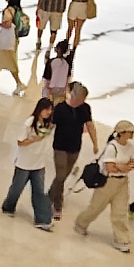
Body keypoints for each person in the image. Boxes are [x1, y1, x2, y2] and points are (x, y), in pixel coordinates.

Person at [73, 118, 134, 254]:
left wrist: (122, 167)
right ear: (122, 132)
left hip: (122, 183)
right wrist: (122, 167)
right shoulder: (112, 147)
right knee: (96, 207)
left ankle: (121, 239)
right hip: (108, 182)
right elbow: (110, 168)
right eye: (130, 131)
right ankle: (81, 223)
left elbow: (132, 164)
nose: (132, 133)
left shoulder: (130, 147)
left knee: (120, 212)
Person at [1, 96, 56, 230]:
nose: (48, 112)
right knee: (17, 188)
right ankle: (8, 206)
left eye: (50, 110)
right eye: (46, 109)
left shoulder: (48, 124)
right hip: (24, 163)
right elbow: (20, 142)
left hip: (39, 163)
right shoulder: (29, 123)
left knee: (39, 191)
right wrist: (35, 139)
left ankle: (43, 219)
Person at [46, 82, 99, 217]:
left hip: (75, 147)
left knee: (64, 176)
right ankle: (57, 205)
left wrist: (95, 143)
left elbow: (90, 125)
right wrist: (39, 136)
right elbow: (51, 125)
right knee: (61, 175)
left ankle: (51, 194)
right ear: (74, 96)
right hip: (60, 146)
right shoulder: (61, 108)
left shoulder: (85, 108)